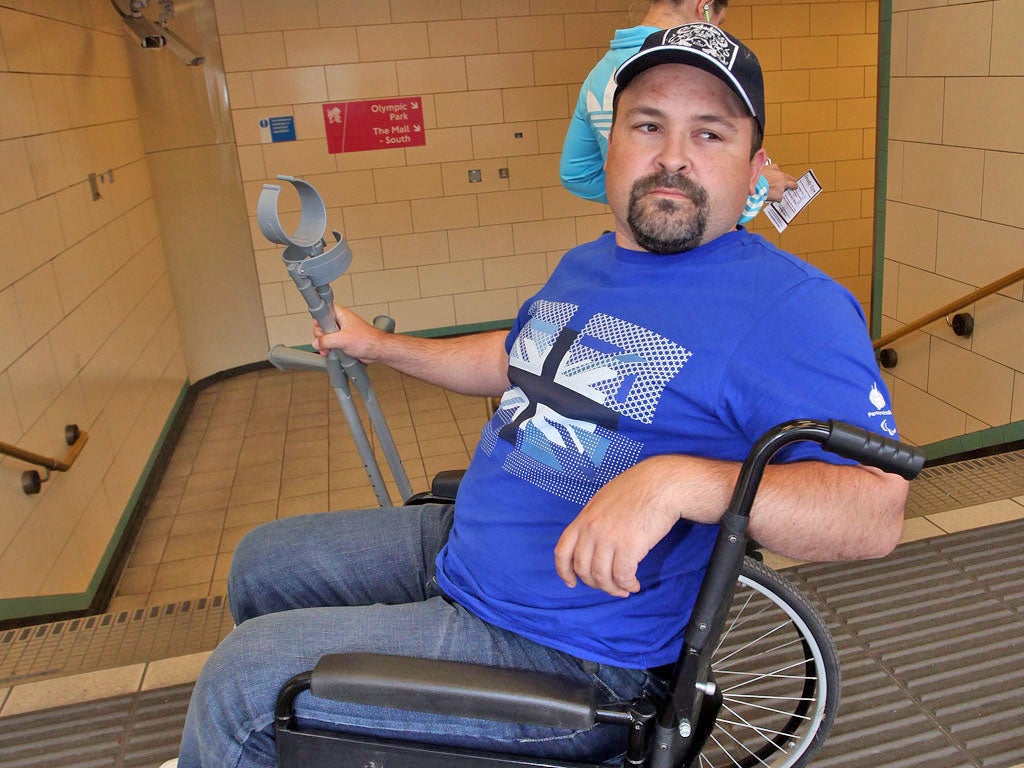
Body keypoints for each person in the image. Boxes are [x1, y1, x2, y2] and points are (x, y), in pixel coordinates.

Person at [166, 23, 908, 768]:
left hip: (559, 650)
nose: (674, 157)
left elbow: (874, 513)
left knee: (242, 685)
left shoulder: (790, 308)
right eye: (648, 125)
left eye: (710, 134)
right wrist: (381, 347)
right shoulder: (590, 264)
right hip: (468, 549)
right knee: (261, 564)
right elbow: (514, 359)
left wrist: (680, 482)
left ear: (755, 168)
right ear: (610, 147)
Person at [560, 0, 798, 224]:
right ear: (703, 6)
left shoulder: (598, 73)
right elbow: (705, 206)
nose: (672, 161)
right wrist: (762, 185)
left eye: (708, 134)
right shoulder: (698, 72)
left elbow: (577, 174)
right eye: (719, 21)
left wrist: (643, 194)